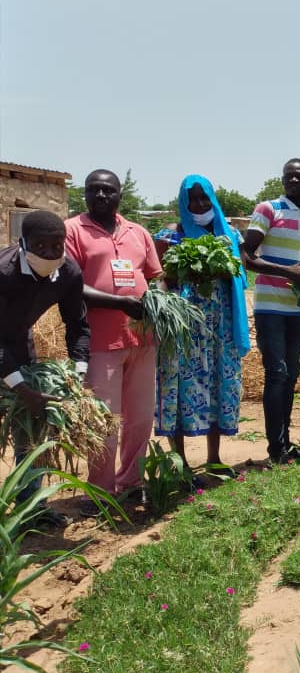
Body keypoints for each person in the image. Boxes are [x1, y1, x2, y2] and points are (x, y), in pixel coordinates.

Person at [65, 169, 162, 506]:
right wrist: (120, 302)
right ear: (85, 194)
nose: (101, 195)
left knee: (140, 418)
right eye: (94, 190)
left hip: (143, 339)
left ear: (120, 194)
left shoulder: (138, 232)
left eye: (108, 190)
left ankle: (131, 483)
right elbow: (71, 286)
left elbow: (155, 276)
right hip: (100, 341)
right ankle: (100, 491)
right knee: (104, 420)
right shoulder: (73, 230)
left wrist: (159, 303)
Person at [152, 176, 250, 476]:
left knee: (220, 385)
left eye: (204, 197)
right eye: (193, 198)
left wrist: (223, 271)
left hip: (222, 325)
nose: (199, 204)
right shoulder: (172, 234)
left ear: (213, 198)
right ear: (184, 201)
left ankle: (215, 459)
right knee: (180, 385)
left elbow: (242, 271)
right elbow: (160, 276)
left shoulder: (229, 233)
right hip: (186, 323)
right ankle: (180, 462)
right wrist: (181, 277)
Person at [0, 211, 89, 526]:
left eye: (57, 245)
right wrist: (22, 389)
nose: (51, 254)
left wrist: (76, 375)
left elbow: (77, 326)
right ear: (23, 243)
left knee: (30, 428)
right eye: (41, 246)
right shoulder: (3, 272)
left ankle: (30, 508)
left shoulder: (68, 271)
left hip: (18, 344)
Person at [241, 158, 300, 465]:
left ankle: (285, 442)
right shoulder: (268, 209)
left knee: (291, 376)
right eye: (288, 176)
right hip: (268, 306)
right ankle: (275, 449)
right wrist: (290, 273)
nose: (293, 181)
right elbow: (247, 257)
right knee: (276, 374)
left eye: (299, 177)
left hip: (295, 309)